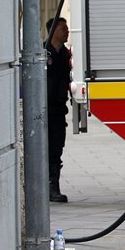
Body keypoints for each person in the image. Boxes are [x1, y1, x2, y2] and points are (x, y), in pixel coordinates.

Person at [45, 17, 71, 203]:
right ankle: (47, 187)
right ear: (53, 31)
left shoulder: (65, 55)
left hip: (59, 110)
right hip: (46, 110)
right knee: (45, 150)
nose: (67, 31)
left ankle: (54, 186)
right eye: (63, 28)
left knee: (56, 149)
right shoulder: (44, 53)